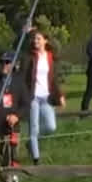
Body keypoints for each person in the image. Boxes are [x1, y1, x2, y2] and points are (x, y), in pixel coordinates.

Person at [22, 30, 63, 163]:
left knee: (51, 127)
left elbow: (53, 79)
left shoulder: (50, 57)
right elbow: (23, 77)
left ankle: (31, 143)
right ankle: (36, 158)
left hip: (46, 98)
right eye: (34, 39)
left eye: (39, 39)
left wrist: (60, 95)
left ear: (45, 41)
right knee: (34, 128)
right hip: (33, 97)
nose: (36, 41)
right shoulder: (30, 57)